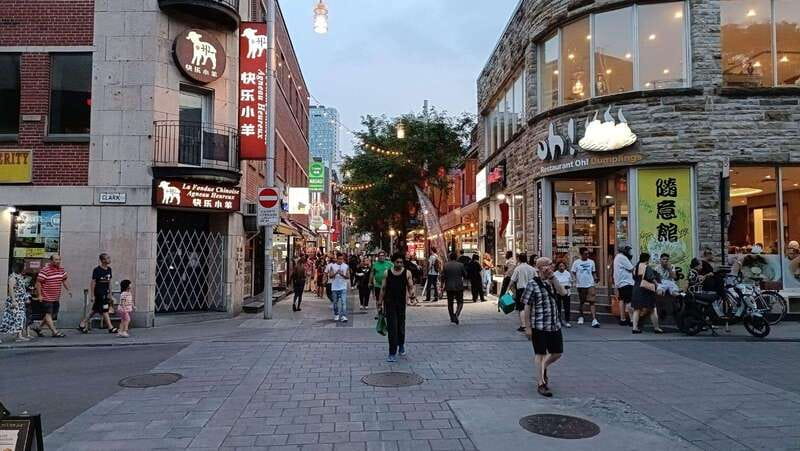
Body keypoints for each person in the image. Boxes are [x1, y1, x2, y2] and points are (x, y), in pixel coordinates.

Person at [522, 257, 565, 398]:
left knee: (557, 352)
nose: (551, 267)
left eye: (551, 265)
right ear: (540, 268)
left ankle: (543, 367)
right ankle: (541, 383)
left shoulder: (553, 281)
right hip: (539, 325)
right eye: (548, 265)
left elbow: (563, 293)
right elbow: (527, 307)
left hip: (554, 324)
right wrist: (527, 327)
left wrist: (553, 278)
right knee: (539, 354)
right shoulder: (532, 284)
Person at [378, 252, 416, 362]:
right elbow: (383, 288)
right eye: (397, 262)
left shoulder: (407, 273)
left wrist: (412, 295)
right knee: (392, 328)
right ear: (393, 262)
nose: (399, 264)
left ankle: (401, 344)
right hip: (389, 303)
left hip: (401, 303)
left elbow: (411, 286)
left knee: (401, 326)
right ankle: (392, 352)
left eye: (401, 262)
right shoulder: (387, 273)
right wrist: (379, 302)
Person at [78, 253, 118, 334]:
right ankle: (110, 327)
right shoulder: (97, 270)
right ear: (103, 260)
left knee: (94, 310)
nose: (109, 259)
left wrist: (110, 293)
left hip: (105, 291)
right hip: (99, 292)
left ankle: (82, 323)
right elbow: (93, 282)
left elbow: (109, 282)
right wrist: (92, 295)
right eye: (107, 258)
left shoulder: (109, 269)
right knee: (105, 309)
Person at [33, 254, 71, 338]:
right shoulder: (45, 270)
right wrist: (39, 295)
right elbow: (38, 283)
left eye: (59, 260)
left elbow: (64, 280)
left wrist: (68, 290)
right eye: (56, 260)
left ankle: (39, 328)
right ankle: (54, 332)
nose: (58, 261)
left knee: (52, 315)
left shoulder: (61, 270)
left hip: (56, 297)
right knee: (48, 313)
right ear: (51, 261)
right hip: (46, 296)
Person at [631, 252, 663, 334]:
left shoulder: (636, 267)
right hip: (646, 290)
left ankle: (634, 328)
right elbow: (651, 278)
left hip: (636, 288)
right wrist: (657, 285)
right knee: (653, 309)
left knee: (637, 309)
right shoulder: (646, 267)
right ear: (647, 259)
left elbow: (634, 277)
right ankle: (656, 328)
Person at [1, 262, 30, 342]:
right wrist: (14, 301)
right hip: (15, 301)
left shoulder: (19, 276)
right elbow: (11, 289)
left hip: (20, 301)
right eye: (23, 267)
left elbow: (21, 289)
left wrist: (25, 298)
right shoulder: (13, 277)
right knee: (9, 319)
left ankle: (19, 335)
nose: (24, 269)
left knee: (19, 319)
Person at [571, 248, 599, 328]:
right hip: (581, 284)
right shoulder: (576, 262)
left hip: (590, 284)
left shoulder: (591, 262)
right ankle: (581, 316)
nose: (587, 255)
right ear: (581, 254)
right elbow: (573, 271)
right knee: (582, 301)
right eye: (585, 254)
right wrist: (576, 279)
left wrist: (595, 278)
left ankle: (594, 319)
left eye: (588, 254)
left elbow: (593, 272)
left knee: (592, 301)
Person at [509, 253, 536, 332]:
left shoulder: (518, 268)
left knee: (522, 308)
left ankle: (523, 325)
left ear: (519, 259)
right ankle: (530, 324)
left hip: (521, 290)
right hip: (531, 289)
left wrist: (508, 289)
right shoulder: (532, 268)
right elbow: (537, 278)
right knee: (530, 306)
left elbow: (512, 280)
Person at [440, 252, 467, 324]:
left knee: (450, 303)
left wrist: (442, 286)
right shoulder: (461, 265)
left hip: (449, 286)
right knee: (460, 302)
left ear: (449, 257)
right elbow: (465, 275)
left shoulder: (445, 265)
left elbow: (442, 277)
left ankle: (452, 317)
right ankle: (456, 315)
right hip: (459, 286)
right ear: (456, 257)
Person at [613, 244, 635, 326]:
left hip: (620, 283)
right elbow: (631, 268)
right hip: (627, 282)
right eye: (628, 250)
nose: (629, 252)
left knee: (622, 300)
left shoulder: (617, 257)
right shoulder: (623, 258)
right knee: (629, 301)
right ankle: (632, 320)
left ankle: (623, 319)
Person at [326, 253, 349, 322]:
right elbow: (330, 276)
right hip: (335, 287)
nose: (340, 260)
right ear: (337, 259)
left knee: (343, 302)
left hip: (343, 287)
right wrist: (336, 273)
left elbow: (348, 276)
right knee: (335, 303)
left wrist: (342, 274)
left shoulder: (346, 266)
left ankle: (344, 316)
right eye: (339, 259)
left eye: (342, 259)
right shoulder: (333, 266)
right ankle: (336, 314)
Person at [552, 261, 572, 328]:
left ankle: (567, 320)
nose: (561, 267)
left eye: (562, 266)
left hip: (566, 291)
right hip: (558, 291)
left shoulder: (567, 273)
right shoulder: (555, 274)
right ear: (557, 267)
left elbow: (570, 282)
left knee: (567, 307)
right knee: (558, 307)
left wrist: (568, 289)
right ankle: (558, 320)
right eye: (560, 266)